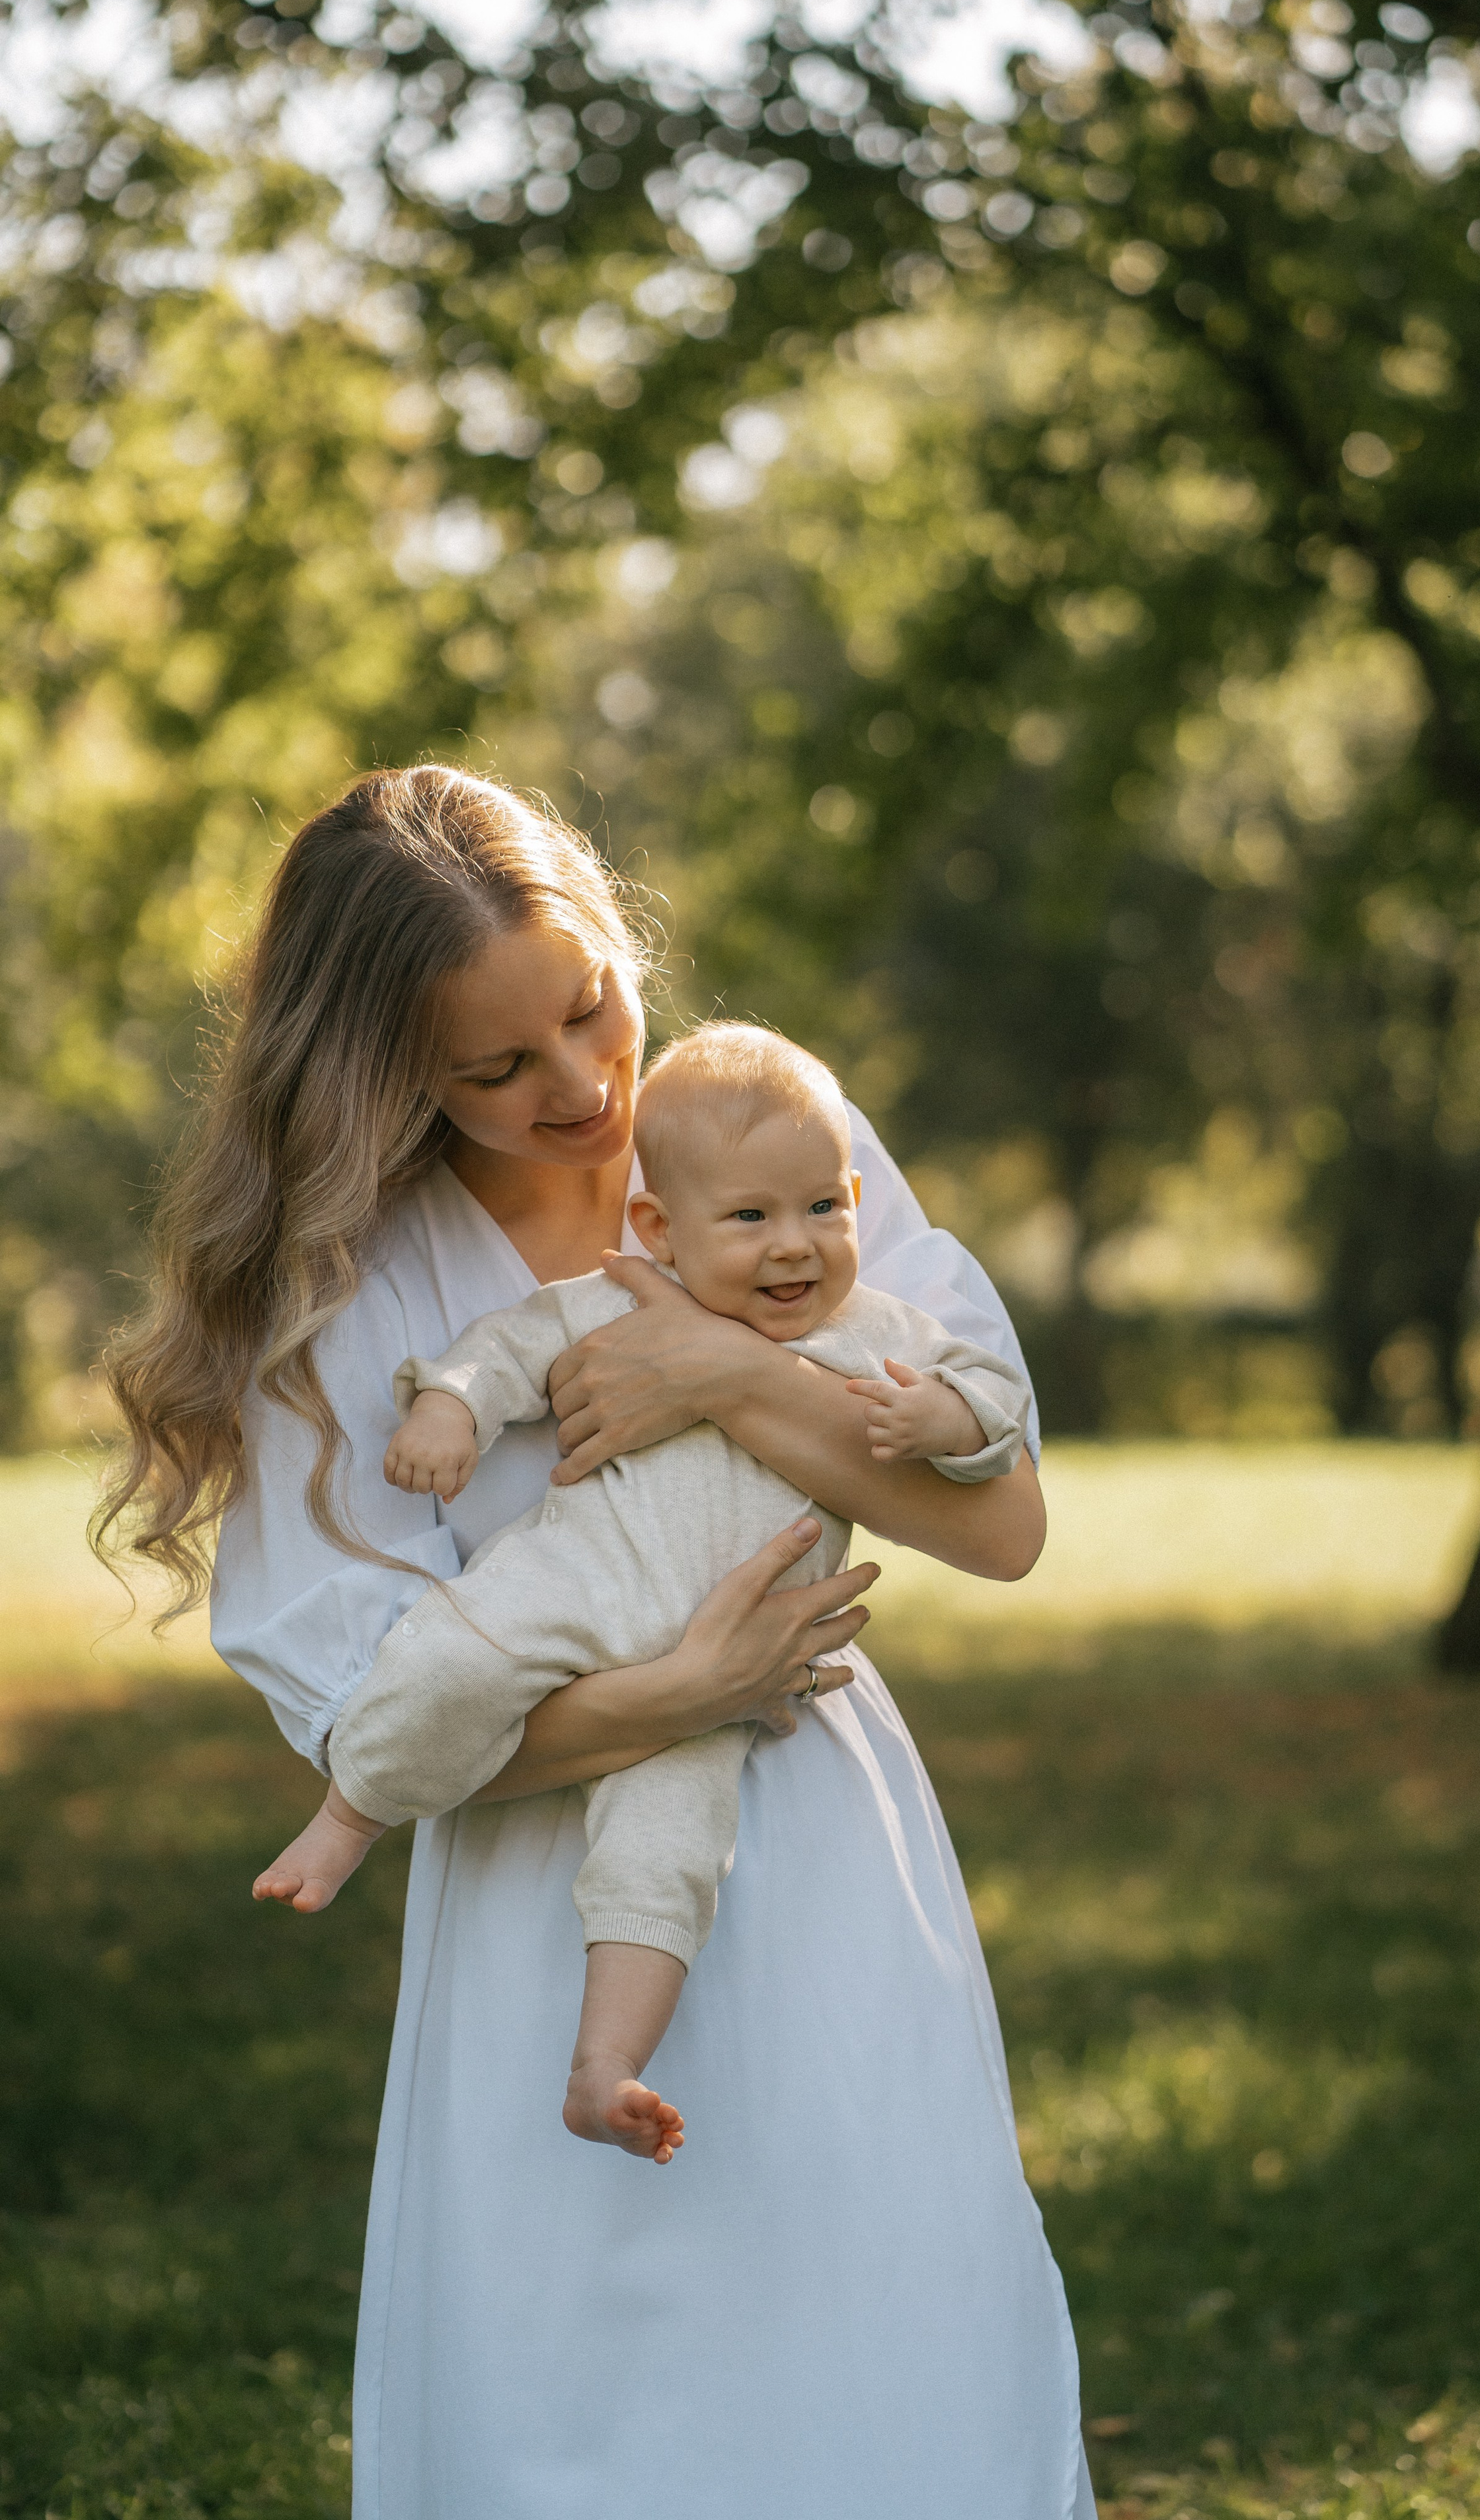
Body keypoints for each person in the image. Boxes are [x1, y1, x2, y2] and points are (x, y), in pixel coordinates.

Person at [100, 765, 1094, 2520]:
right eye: (498, 1068)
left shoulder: (763, 1129)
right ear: (386, 1071)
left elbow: (1001, 1525)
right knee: (590, 2386)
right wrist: (677, 1696)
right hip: (544, 1894)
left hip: (826, 1852)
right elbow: (374, 1714)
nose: (583, 1088)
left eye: (589, 1008)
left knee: (883, 2332)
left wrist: (727, 1372)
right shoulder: (362, 1286)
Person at [254, 1020, 1030, 2174]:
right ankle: (352, 1815)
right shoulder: (617, 1294)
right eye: (753, 1220)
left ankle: (605, 2064)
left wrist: (944, 1422)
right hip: (576, 1592)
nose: (796, 1247)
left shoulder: (872, 1333)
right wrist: (449, 1408)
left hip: (745, 1678)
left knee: (666, 1858)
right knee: (455, 1661)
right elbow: (503, 1350)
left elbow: (991, 1410)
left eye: (825, 1211)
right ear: (661, 1230)